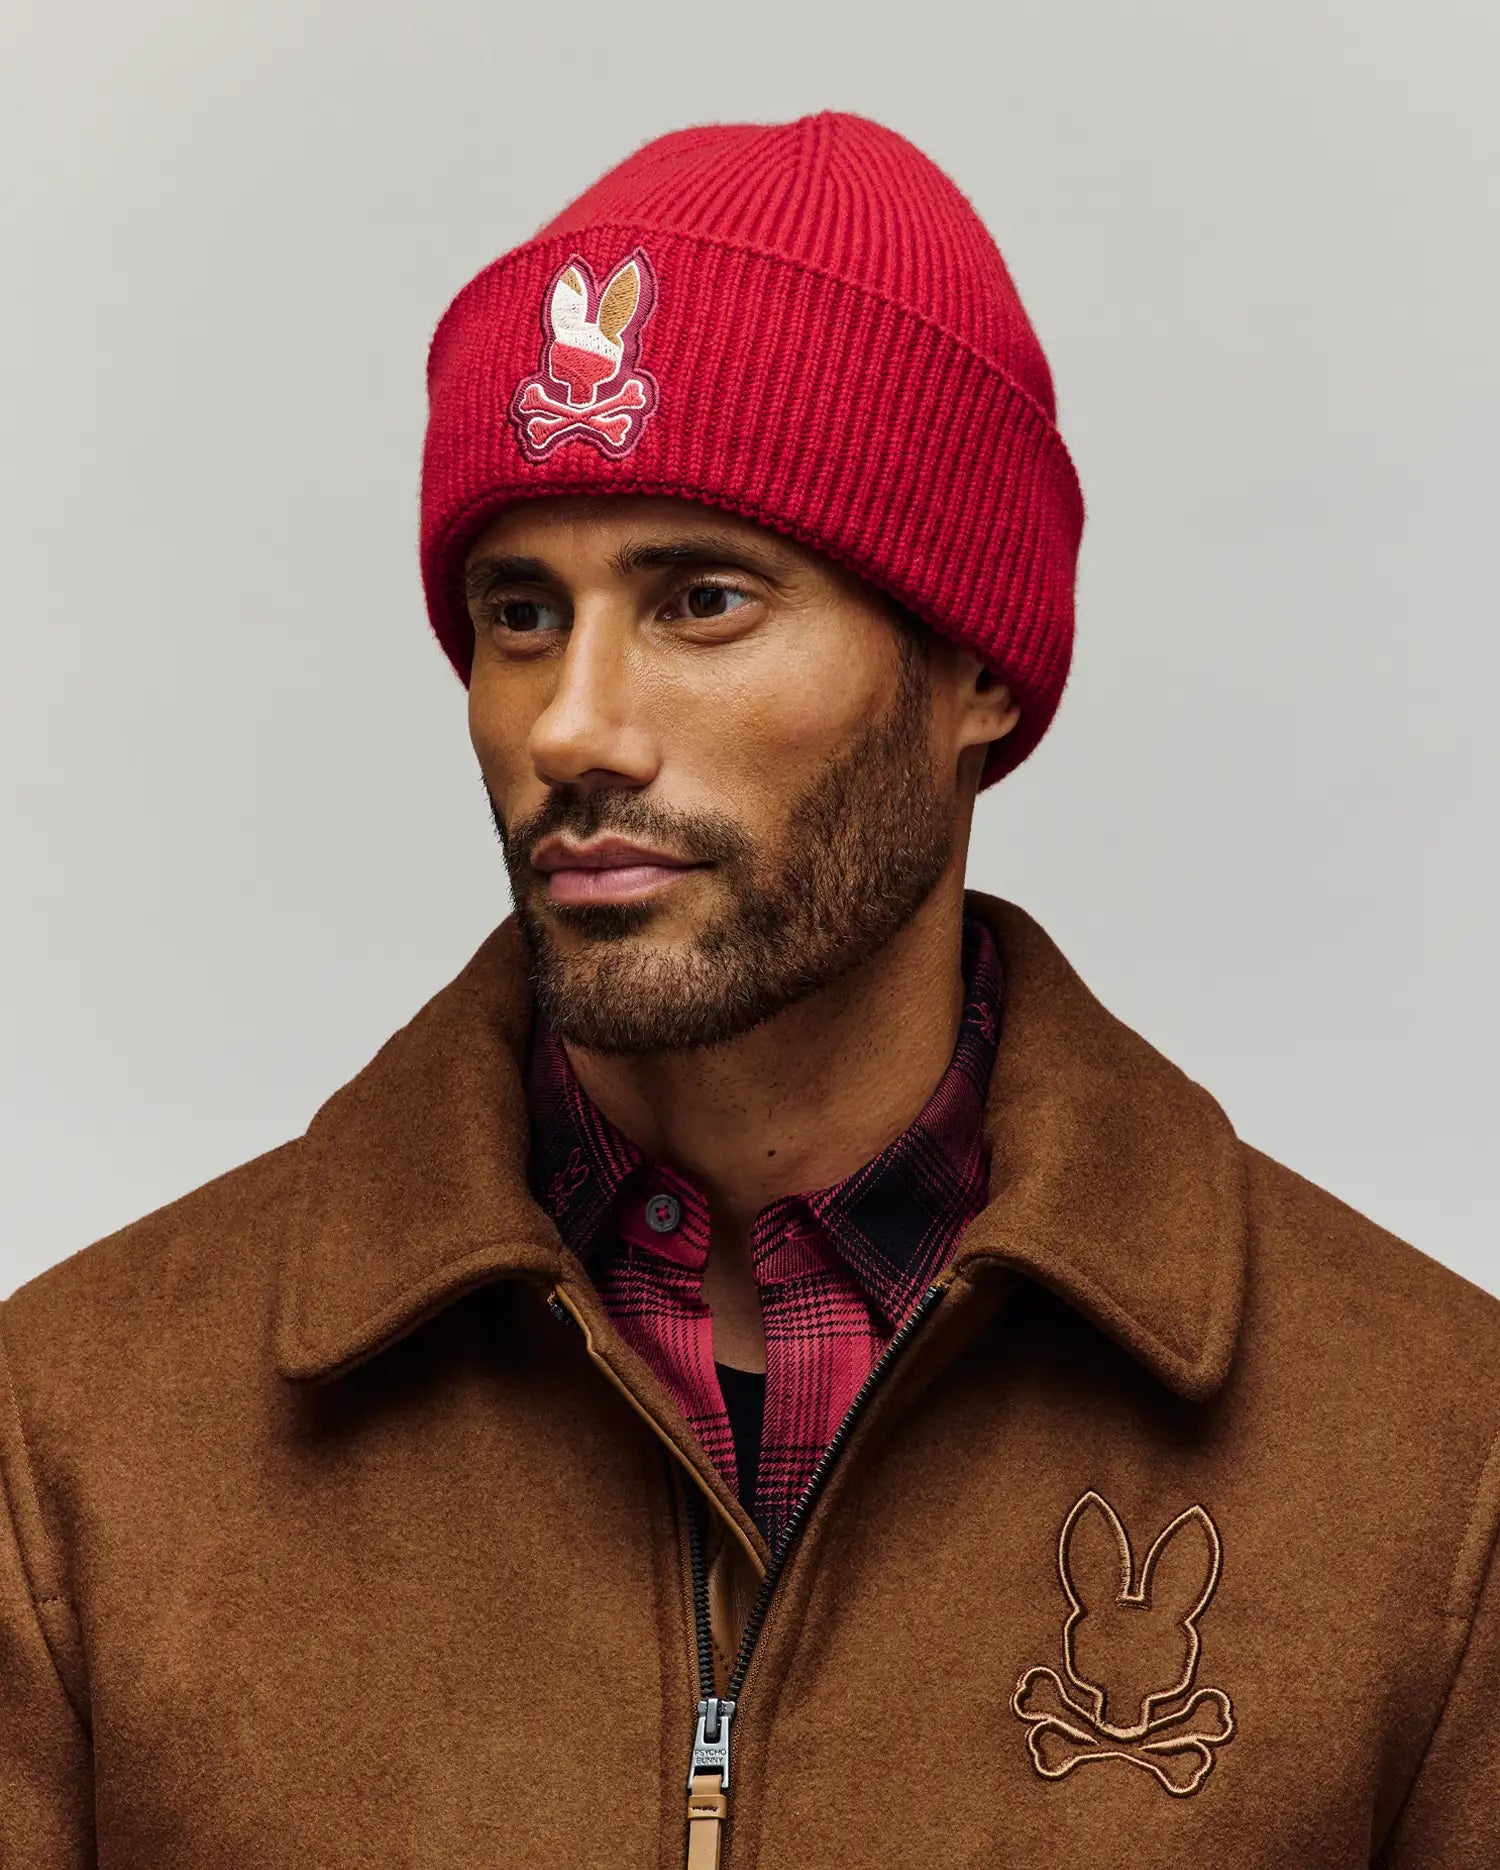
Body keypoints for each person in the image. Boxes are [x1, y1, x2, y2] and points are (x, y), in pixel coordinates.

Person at [1, 111, 1494, 1870]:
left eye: (701, 600)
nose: (572, 726)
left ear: (973, 670)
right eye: (519, 613)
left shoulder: (1434, 1467)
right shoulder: (74, 1438)